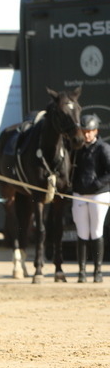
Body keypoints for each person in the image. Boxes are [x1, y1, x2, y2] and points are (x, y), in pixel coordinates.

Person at [71, 113, 110, 282]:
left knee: (96, 232)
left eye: (90, 131)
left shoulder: (103, 148)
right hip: (80, 194)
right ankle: (81, 272)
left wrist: (97, 184)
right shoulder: (77, 149)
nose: (87, 134)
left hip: (98, 195)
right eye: (85, 131)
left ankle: (98, 271)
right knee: (82, 233)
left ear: (96, 131)